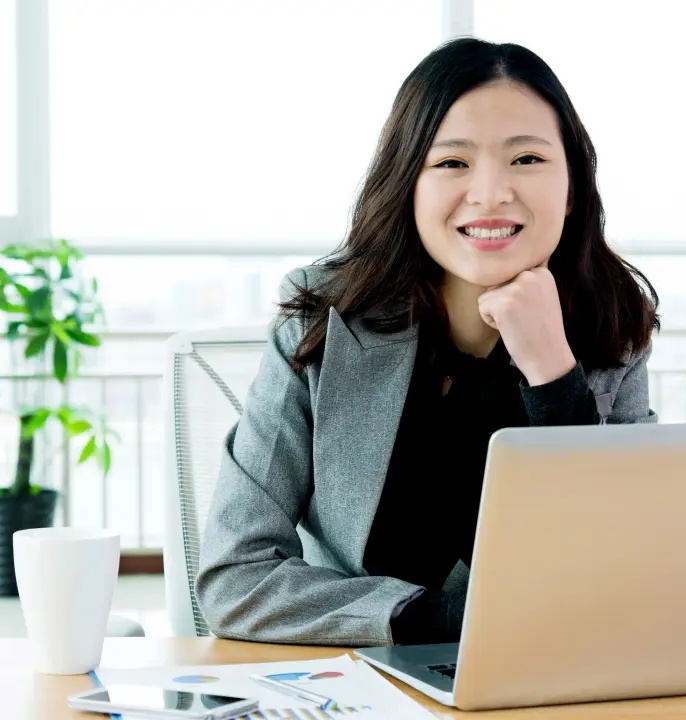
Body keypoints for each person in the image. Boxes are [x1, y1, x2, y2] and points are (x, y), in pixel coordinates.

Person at [195, 37, 659, 648]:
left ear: (572, 189)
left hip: (548, 689)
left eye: (526, 159)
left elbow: (626, 575)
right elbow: (236, 580)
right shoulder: (325, 318)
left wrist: (554, 375)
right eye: (451, 163)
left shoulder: (613, 326)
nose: (491, 192)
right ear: (407, 183)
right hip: (358, 682)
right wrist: (430, 624)